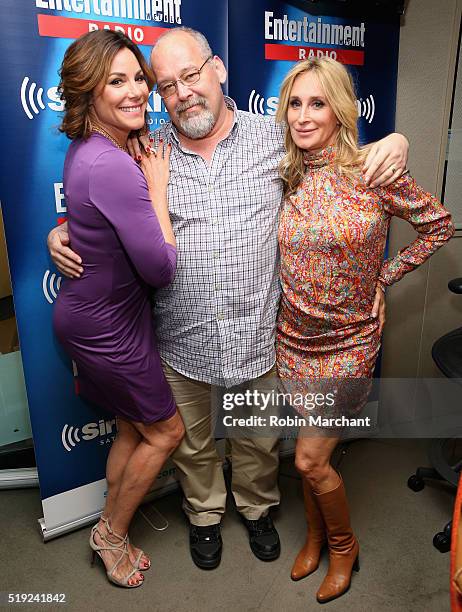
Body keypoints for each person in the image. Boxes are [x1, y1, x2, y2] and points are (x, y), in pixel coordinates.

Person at [48, 27, 409, 570]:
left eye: (191, 76)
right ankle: (204, 516)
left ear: (218, 70)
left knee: (257, 440)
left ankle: (259, 510)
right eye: (165, 86)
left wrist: (398, 140)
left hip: (258, 332)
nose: (181, 94)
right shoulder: (144, 148)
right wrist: (59, 235)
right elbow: (95, 203)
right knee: (192, 445)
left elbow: (346, 177)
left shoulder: (275, 138)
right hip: (180, 336)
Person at [275, 57, 454, 603]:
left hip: (350, 342)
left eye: (317, 103)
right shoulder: (287, 170)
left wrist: (386, 273)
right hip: (293, 338)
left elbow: (438, 224)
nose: (304, 117)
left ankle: (344, 546)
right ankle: (314, 537)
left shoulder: (372, 170)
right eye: (295, 104)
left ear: (340, 108)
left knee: (308, 459)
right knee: (316, 456)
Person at [53, 30, 184, 588]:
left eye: (139, 79)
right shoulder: (112, 164)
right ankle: (108, 535)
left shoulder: (92, 148)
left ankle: (114, 523)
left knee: (134, 431)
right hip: (107, 329)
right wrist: (156, 187)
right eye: (117, 81)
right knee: (166, 433)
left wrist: (54, 234)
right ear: (89, 92)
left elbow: (90, 226)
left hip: (101, 318)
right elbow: (160, 268)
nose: (137, 92)